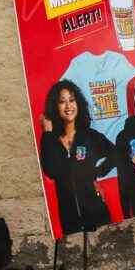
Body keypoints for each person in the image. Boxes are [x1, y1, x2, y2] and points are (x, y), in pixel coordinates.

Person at [39, 79, 116, 236]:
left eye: (72, 100)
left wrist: (95, 173)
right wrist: (46, 134)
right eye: (62, 101)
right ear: (55, 106)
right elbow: (50, 171)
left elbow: (117, 154)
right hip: (69, 217)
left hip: (96, 212)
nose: (68, 106)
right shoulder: (51, 140)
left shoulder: (89, 136)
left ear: (78, 104)